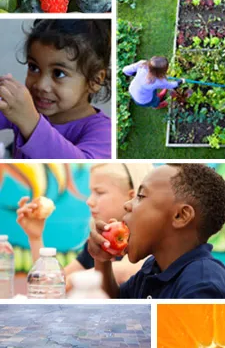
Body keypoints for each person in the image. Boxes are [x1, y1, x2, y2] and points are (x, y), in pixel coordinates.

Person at [87, 163, 225, 298]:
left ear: (180, 216)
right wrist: (102, 260)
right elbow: (116, 303)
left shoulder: (201, 285)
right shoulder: (153, 268)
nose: (127, 205)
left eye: (141, 196)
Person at [16, 162, 152, 290]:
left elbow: (122, 273)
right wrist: (35, 237)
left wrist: (70, 281)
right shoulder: (98, 243)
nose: (89, 201)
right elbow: (48, 287)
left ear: (131, 196)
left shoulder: (149, 239)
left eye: (99, 192)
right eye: (91, 192)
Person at [0, 20, 111, 160]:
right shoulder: (28, 107)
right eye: (34, 67)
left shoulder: (104, 132)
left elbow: (80, 168)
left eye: (58, 73)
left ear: (95, 80)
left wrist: (30, 122)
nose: (41, 85)